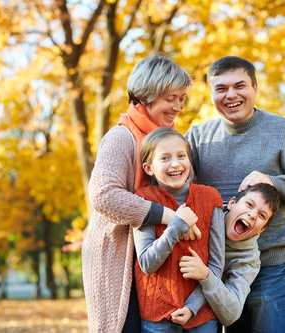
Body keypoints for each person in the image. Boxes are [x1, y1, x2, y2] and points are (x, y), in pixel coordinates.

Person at [185, 56, 285, 332]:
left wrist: (273, 182)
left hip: (275, 267)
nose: (231, 95)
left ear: (255, 88)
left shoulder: (282, 132)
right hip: (223, 270)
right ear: (211, 94)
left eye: (239, 85)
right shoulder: (198, 137)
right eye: (221, 89)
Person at [82, 54, 194, 333]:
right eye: (171, 98)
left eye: (182, 98)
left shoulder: (169, 141)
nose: (178, 107)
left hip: (157, 258)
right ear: (147, 95)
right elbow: (104, 195)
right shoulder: (121, 137)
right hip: (118, 259)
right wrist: (170, 217)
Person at [133, 127, 225, 332]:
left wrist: (192, 307)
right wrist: (176, 225)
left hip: (202, 314)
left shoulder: (211, 199)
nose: (175, 163)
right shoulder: (143, 200)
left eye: (181, 156)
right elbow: (147, 264)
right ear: (149, 168)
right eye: (165, 158)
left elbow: (217, 266)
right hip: (157, 315)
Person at [178, 183, 280, 328]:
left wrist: (206, 275)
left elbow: (232, 313)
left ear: (261, 229)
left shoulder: (249, 260)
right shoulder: (205, 210)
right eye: (249, 204)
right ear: (232, 203)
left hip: (202, 316)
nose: (252, 215)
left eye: (261, 215)